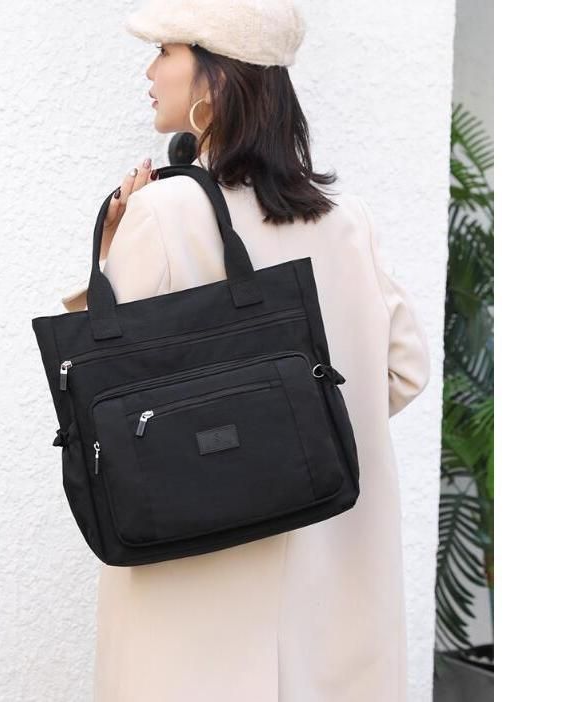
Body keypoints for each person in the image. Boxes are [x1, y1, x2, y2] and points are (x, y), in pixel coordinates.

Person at [61, 1, 431, 700]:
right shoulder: (345, 222)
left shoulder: (164, 213)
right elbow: (404, 370)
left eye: (165, 51)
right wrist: (293, 428)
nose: (149, 71)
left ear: (217, 76)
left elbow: (104, 389)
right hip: (330, 589)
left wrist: (110, 249)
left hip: (197, 594)